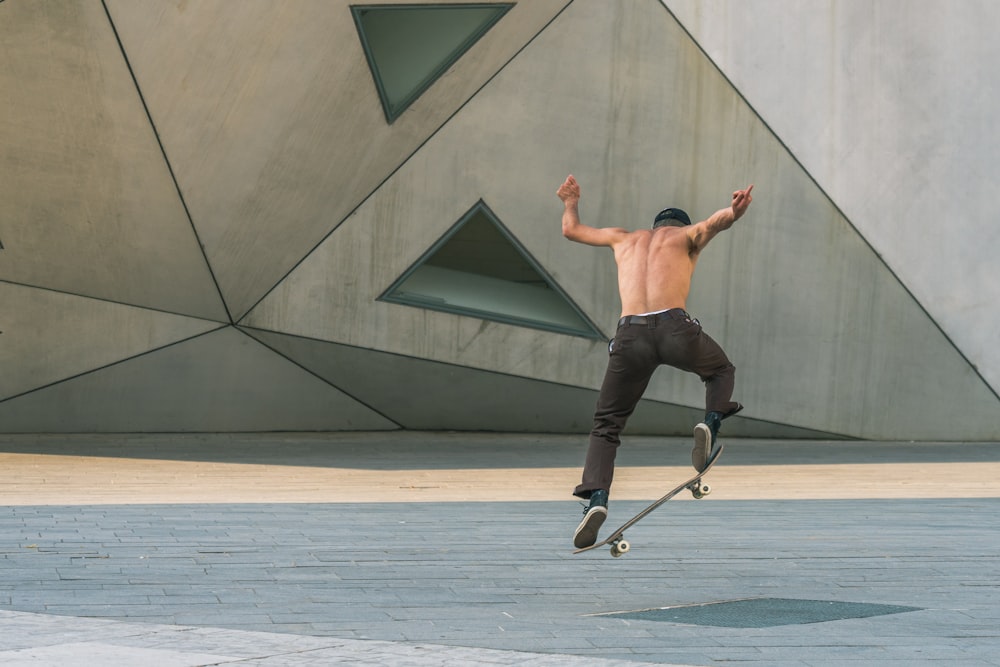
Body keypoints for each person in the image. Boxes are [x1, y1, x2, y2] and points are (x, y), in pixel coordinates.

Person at [557, 174, 754, 549]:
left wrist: (570, 201)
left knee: (606, 424)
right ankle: (711, 422)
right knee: (719, 369)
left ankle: (596, 498)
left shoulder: (624, 238)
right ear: (679, 226)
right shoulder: (686, 237)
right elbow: (715, 222)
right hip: (674, 329)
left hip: (629, 336)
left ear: (653, 228)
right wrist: (734, 210)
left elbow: (573, 231)